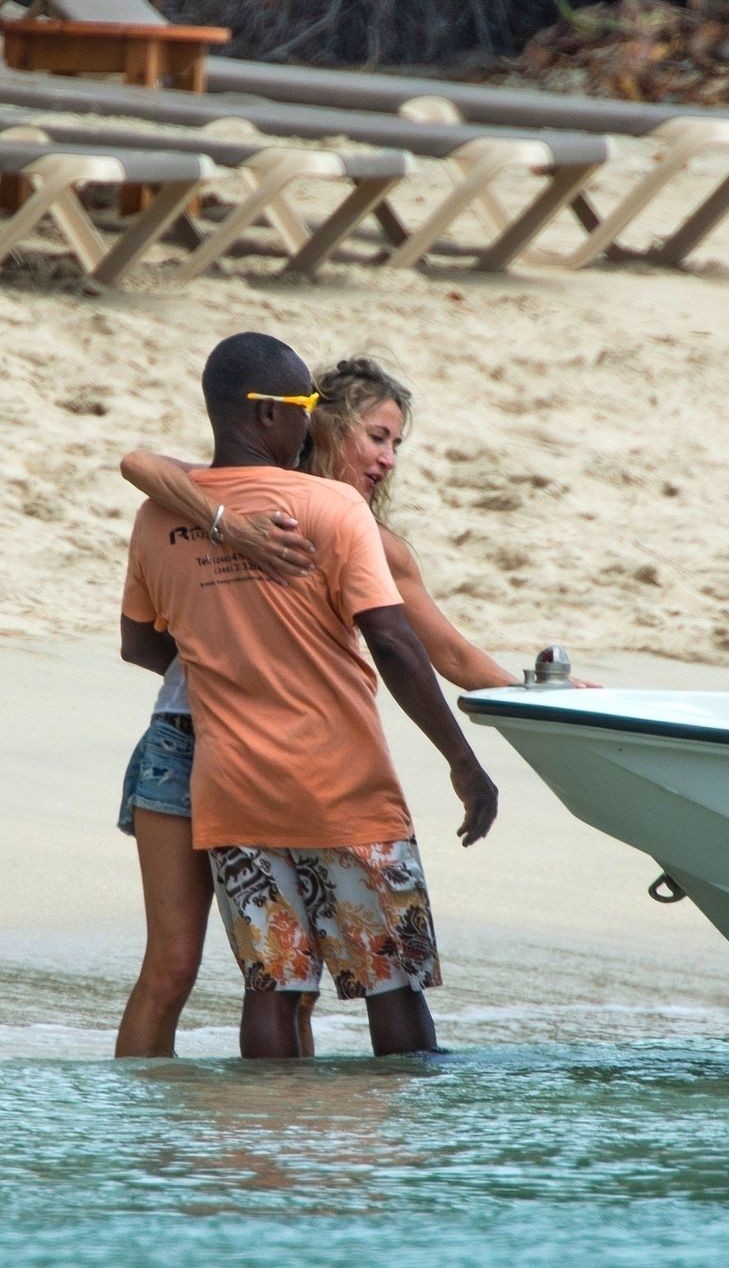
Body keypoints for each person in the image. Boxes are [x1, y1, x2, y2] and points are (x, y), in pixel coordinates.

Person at [113, 355, 522, 1059]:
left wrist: (223, 665)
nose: (389, 458)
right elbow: (397, 643)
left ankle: (273, 1125)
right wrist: (464, 761)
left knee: (276, 984)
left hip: (229, 773)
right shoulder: (331, 511)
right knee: (391, 980)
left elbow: (139, 640)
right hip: (332, 775)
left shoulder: (164, 514)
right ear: (295, 418)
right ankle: (400, 1129)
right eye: (377, 437)